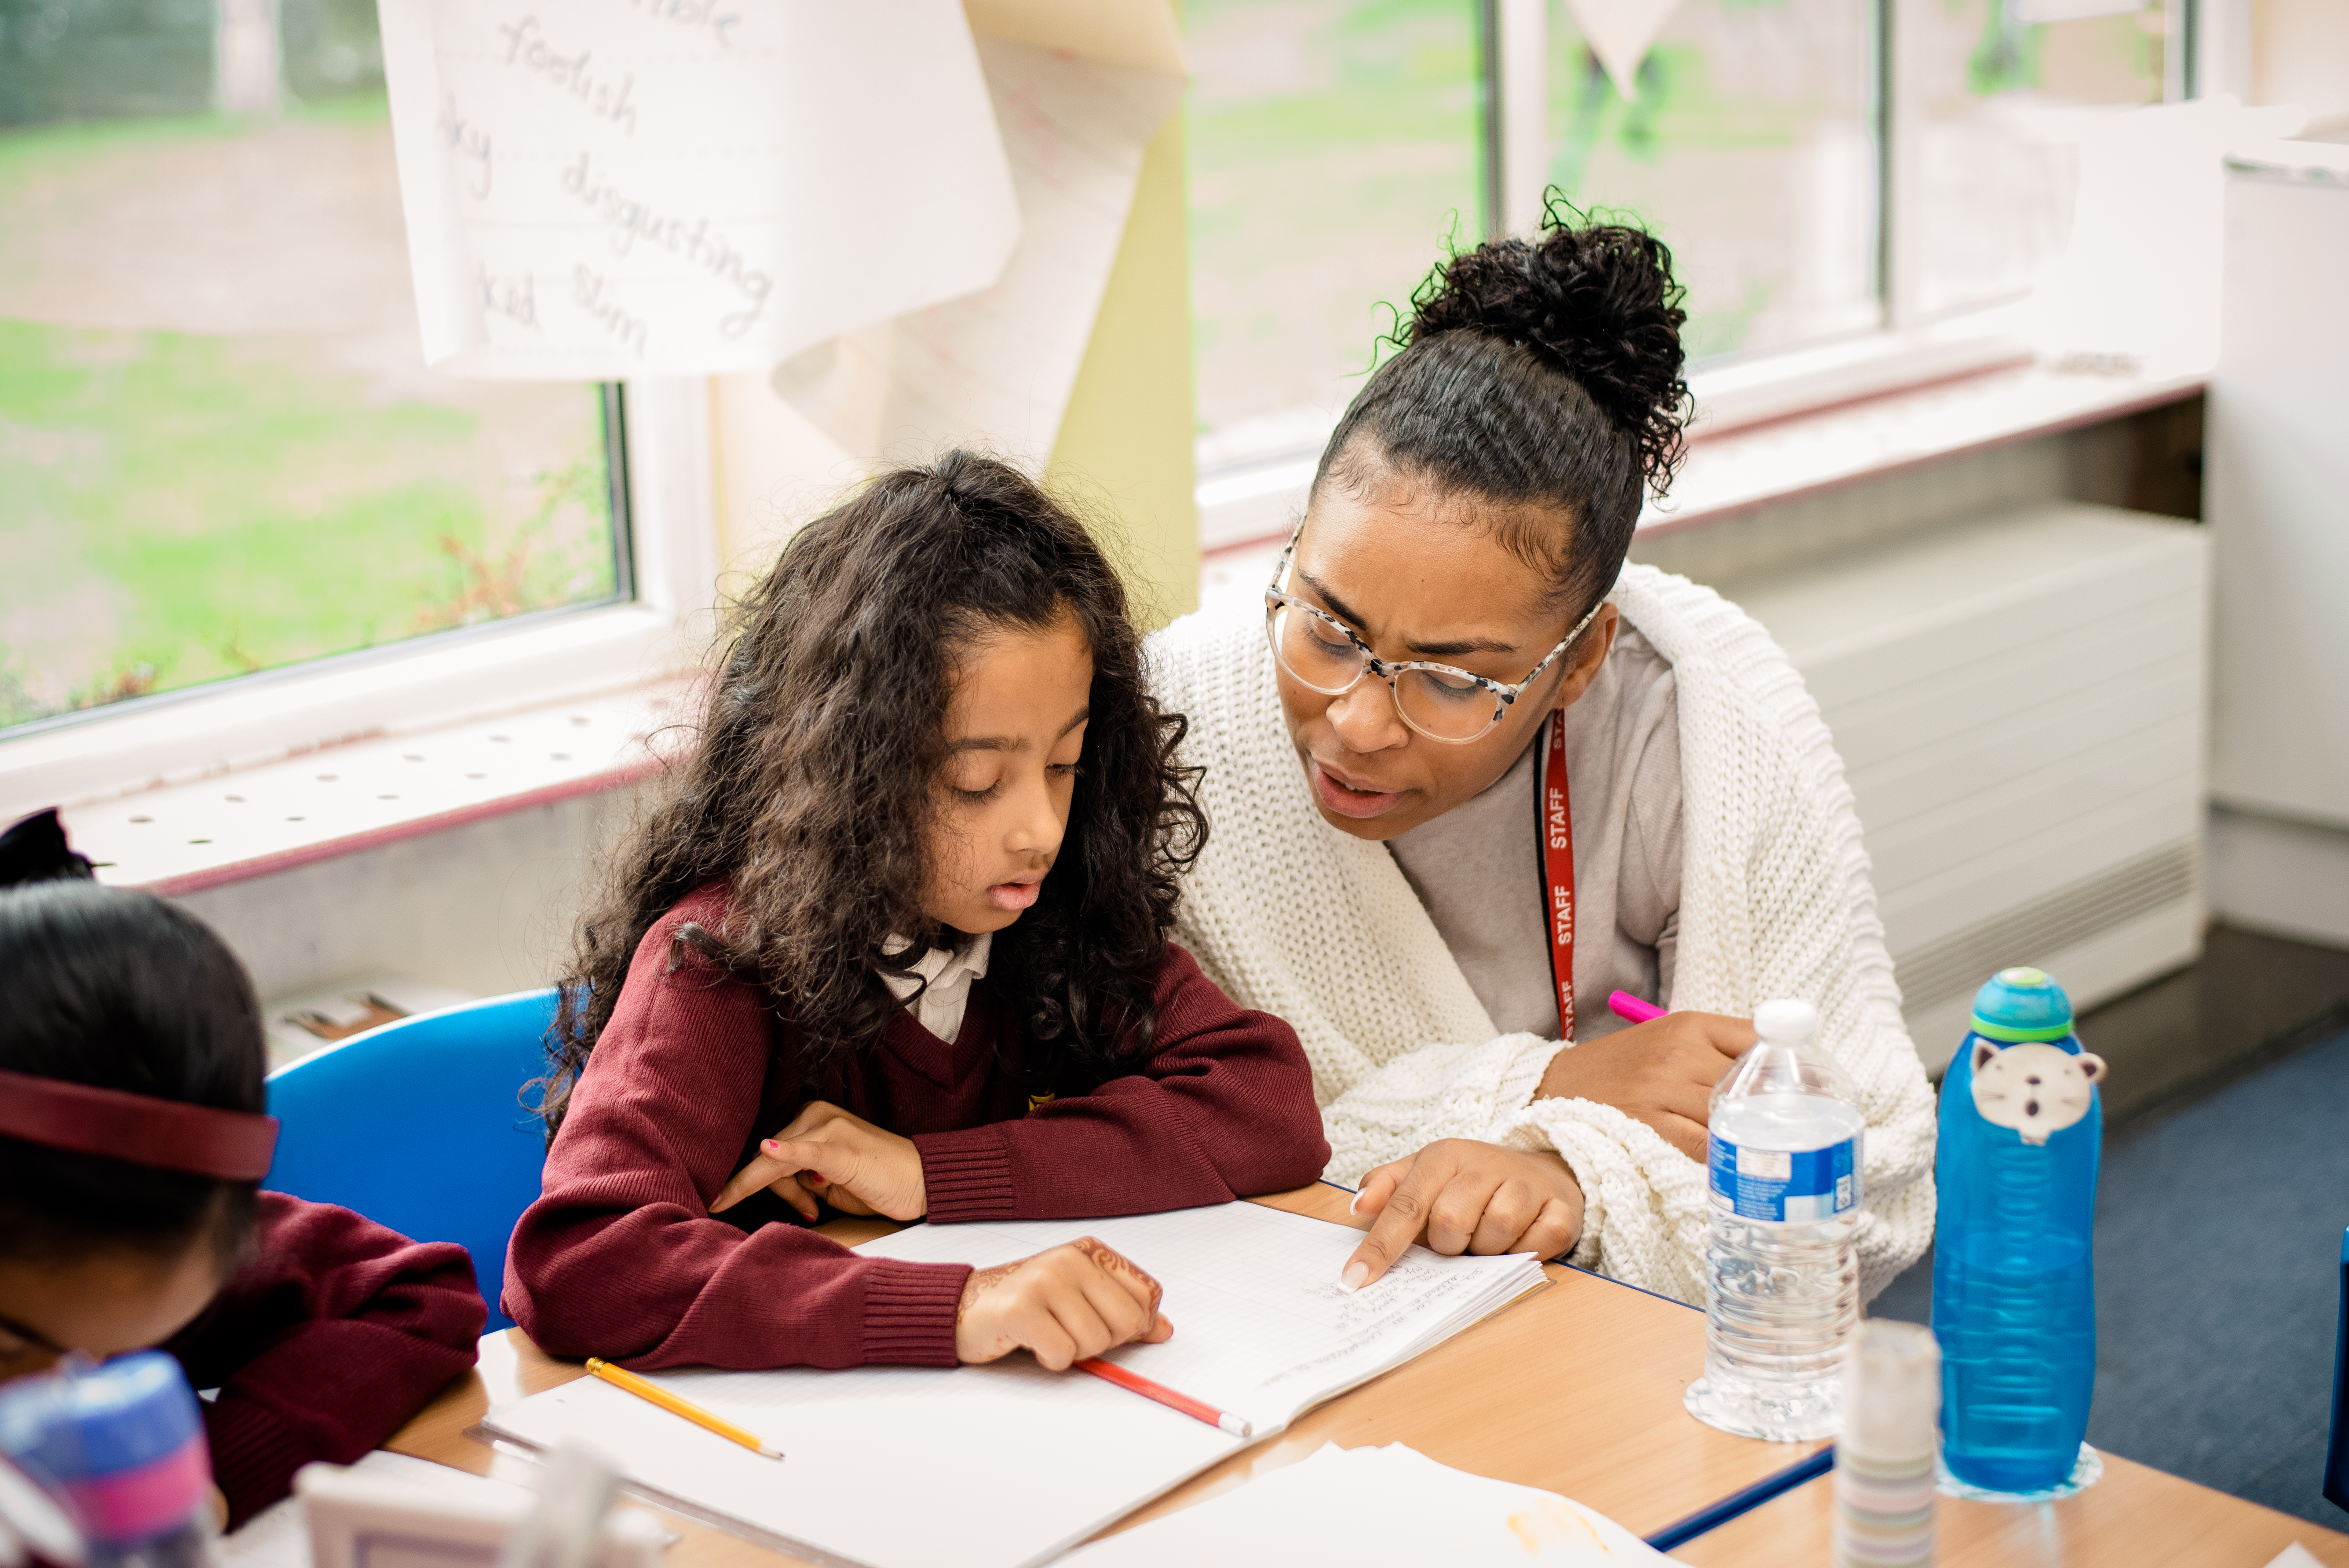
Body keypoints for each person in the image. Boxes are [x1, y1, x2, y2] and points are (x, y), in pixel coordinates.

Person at [1149, 206, 1937, 1305]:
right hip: (1295, 1304)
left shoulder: (1704, 732)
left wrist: (1575, 1183)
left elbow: (1868, 1180)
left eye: (1454, 679)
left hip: (1608, 1340)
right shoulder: (1180, 725)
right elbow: (1146, 1109)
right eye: (1329, 629)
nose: (1360, 722)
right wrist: (1557, 1084)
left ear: (1579, 661)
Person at [505, 451, 1327, 1373]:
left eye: (1063, 765)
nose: (1039, 830)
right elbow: (581, 1262)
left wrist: (928, 1175)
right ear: (845, 772)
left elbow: (1268, 1106)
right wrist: (957, 1307)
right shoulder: (720, 961)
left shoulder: (1052, 920)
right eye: (976, 783)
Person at [0, 810, 486, 1531]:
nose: (77, 1391)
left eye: (123, 1358)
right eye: (10, 1347)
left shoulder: (145, 1227)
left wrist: (211, 1475)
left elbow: (423, 1296)